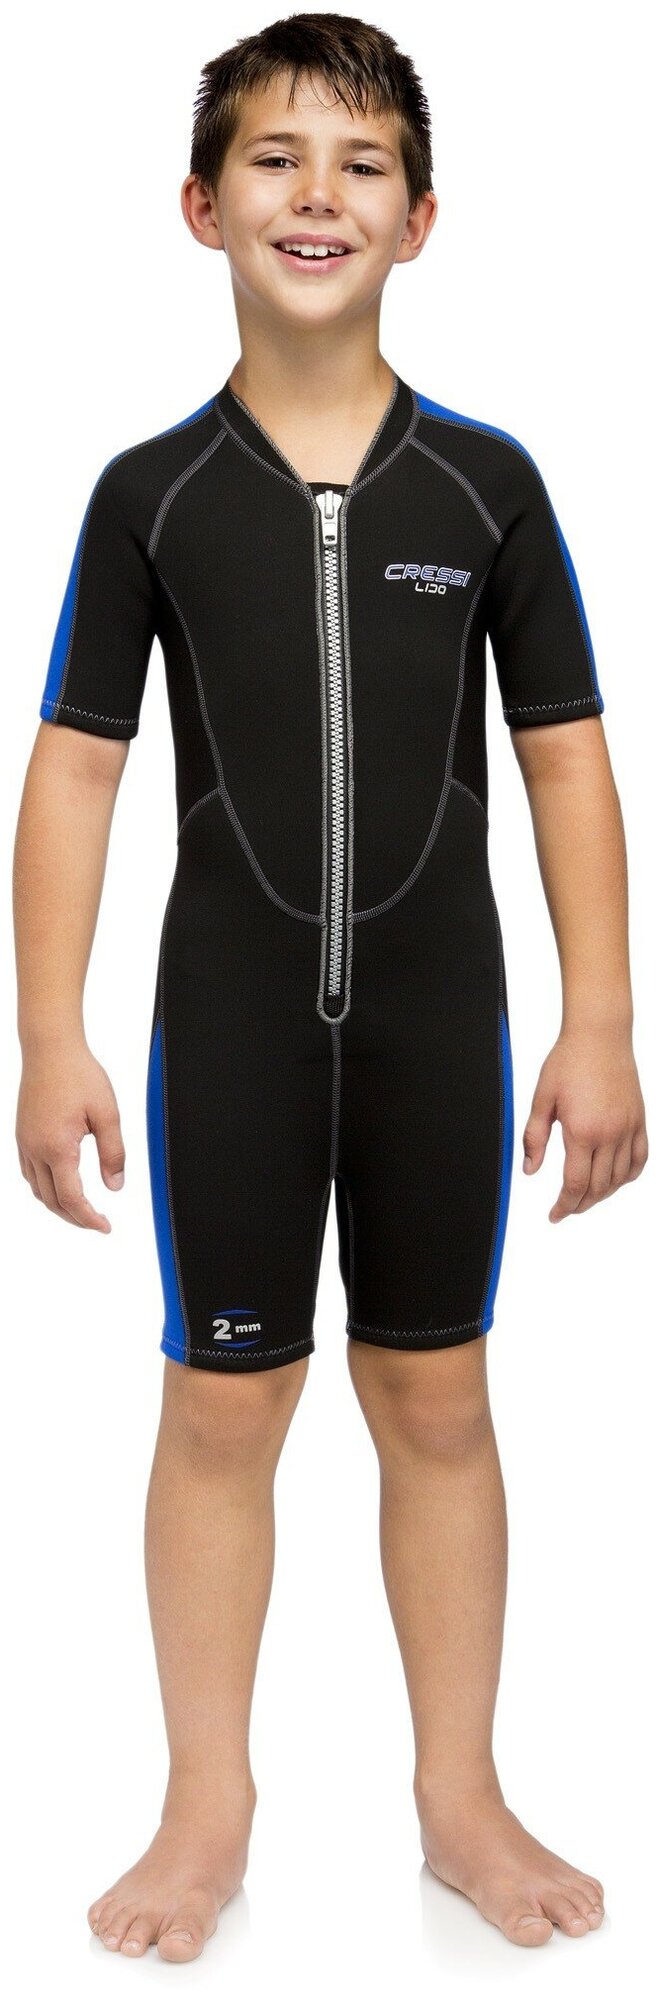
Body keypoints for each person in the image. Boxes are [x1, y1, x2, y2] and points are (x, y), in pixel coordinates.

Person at [13, 11, 647, 1963]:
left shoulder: (486, 488)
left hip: (445, 1028)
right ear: (199, 206)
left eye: (362, 163)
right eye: (275, 158)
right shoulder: (149, 493)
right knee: (224, 1407)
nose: (319, 193)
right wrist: (49, 1035)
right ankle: (207, 1802)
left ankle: (459, 1792)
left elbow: (565, 760)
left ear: (423, 218)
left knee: (441, 1398)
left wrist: (603, 1021)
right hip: (231, 1029)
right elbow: (77, 770)